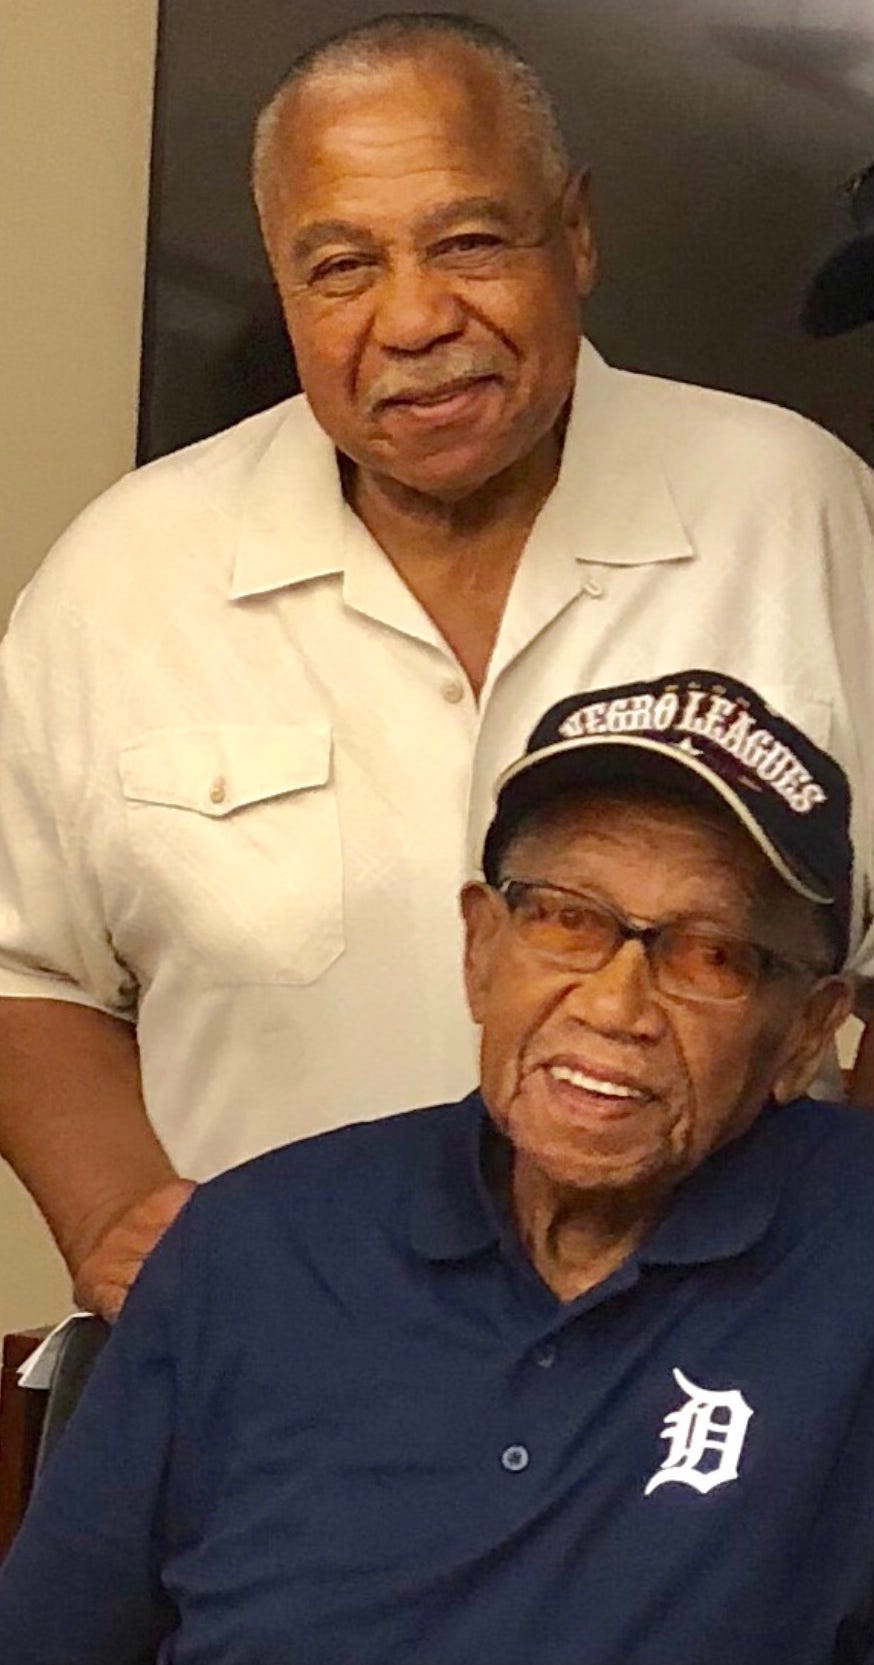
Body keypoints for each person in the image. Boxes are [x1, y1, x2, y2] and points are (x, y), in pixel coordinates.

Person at [3, 12, 874, 1323]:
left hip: (714, 1385)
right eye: (340, 265)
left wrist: (840, 1257)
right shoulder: (126, 573)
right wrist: (114, 1209)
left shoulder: (795, 508)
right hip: (280, 1367)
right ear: (282, 283)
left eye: (468, 242)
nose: (413, 319)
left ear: (572, 232)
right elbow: (25, 964)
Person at [0, 668, 870, 1665]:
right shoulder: (253, 1248)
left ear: (806, 1033)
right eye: (565, 919)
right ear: (480, 951)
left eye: (710, 956)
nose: (613, 1006)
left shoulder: (850, 1262)